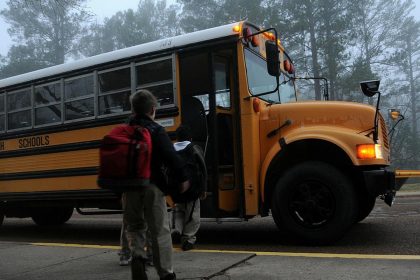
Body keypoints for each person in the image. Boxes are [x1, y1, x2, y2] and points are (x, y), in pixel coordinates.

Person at [124, 89, 190, 280]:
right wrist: (183, 178)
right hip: (152, 186)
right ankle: (166, 273)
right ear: (153, 109)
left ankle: (137, 256)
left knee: (135, 227)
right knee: (159, 230)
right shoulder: (156, 130)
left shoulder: (124, 130)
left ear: (133, 109)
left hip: (129, 188)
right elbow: (171, 157)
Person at [170, 125, 207, 251]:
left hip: (177, 190)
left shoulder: (171, 150)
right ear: (190, 138)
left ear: (177, 138)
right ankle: (188, 239)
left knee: (179, 211)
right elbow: (202, 170)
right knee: (192, 215)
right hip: (193, 190)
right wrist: (203, 189)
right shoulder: (194, 149)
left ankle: (176, 229)